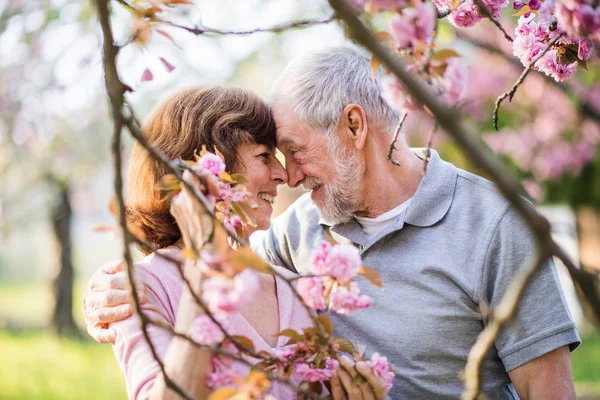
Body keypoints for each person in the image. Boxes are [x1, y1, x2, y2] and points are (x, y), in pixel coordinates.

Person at [85, 46, 580, 399]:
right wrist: (108, 295)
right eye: (277, 156)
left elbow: (547, 390)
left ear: (354, 125)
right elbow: (204, 275)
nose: (291, 176)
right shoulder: (295, 233)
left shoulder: (495, 224)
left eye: (296, 151)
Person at [96, 85, 388, 400]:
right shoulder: (138, 289)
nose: (283, 175)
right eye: (264, 156)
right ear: (207, 171)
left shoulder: (296, 289)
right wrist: (205, 270)